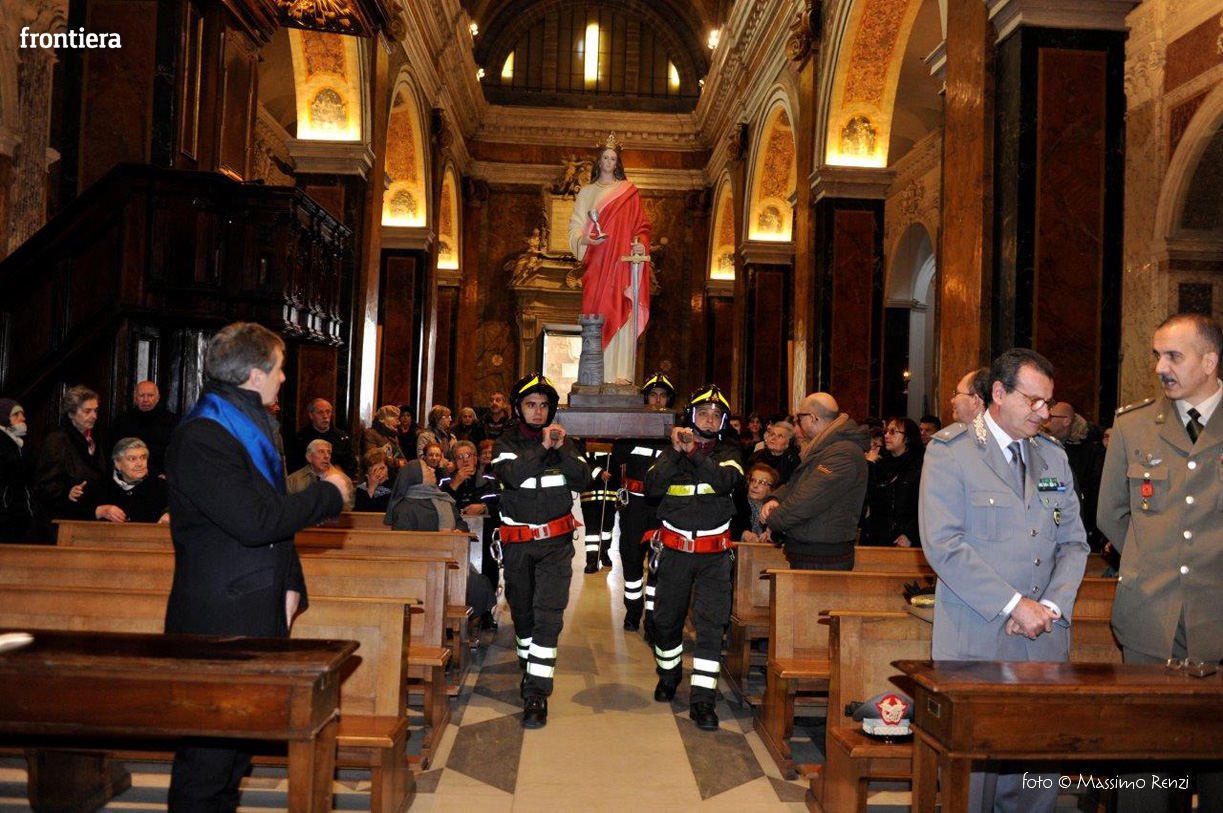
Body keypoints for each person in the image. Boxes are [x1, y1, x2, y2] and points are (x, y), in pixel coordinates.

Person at [164, 321, 352, 810]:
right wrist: (329, 494)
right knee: (207, 761)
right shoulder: (204, 436)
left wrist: (290, 584)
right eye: (279, 369)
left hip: (252, 609)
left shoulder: (244, 424)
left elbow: (268, 516)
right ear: (254, 374)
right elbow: (255, 521)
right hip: (218, 622)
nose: (284, 378)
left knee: (235, 757)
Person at [919, 348, 1088, 813]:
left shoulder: (1053, 457)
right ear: (998, 392)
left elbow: (1074, 543)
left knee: (1035, 781)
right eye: (1033, 401)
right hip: (978, 639)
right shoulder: (951, 451)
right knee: (972, 783)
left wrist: (1049, 607)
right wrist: (1015, 605)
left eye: (1047, 402)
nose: (1044, 413)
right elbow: (944, 544)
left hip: (1043, 641)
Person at [1097, 313, 1223, 812]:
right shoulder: (1134, 426)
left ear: (1209, 361)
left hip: (1219, 619)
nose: (1160, 367)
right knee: (1144, 772)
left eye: (1173, 356)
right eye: (1156, 355)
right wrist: (1152, 561)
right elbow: (1111, 513)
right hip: (1151, 617)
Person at [492, 373, 589, 729]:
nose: (538, 412)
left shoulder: (566, 443)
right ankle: (527, 658)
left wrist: (560, 448)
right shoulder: (505, 442)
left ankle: (536, 691)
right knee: (523, 611)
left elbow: (583, 479)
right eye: (531, 405)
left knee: (549, 615)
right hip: (518, 544)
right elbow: (512, 476)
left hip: (556, 546)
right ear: (519, 408)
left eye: (544, 405)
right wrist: (543, 448)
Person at [645, 384, 743, 732]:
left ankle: (703, 699)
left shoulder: (730, 452)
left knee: (711, 626)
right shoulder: (669, 453)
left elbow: (724, 481)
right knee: (666, 620)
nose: (709, 420)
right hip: (676, 553)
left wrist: (695, 453)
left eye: (716, 415)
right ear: (690, 417)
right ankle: (669, 673)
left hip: (714, 557)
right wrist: (676, 453)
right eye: (703, 414)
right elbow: (652, 487)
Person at [567, 133, 651, 383]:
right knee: (597, 314)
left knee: (621, 305)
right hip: (597, 261)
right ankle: (596, 376)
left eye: (613, 158)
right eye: (605, 157)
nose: (608, 162)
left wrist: (641, 244)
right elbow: (575, 227)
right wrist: (587, 239)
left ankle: (620, 374)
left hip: (621, 264)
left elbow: (642, 227)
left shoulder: (628, 192)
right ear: (598, 160)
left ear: (618, 163)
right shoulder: (587, 192)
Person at [760, 393, 869, 570]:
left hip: (823, 557)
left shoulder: (843, 453)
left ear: (812, 418)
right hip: (812, 551)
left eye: (799, 418)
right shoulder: (824, 447)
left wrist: (774, 519)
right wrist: (775, 499)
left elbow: (808, 498)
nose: (797, 425)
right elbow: (796, 483)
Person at [611, 372, 674, 634]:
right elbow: (617, 459)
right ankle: (632, 611)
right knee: (631, 558)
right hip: (634, 506)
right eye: (653, 395)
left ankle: (652, 618)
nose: (657, 400)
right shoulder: (631, 432)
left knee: (659, 561)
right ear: (645, 399)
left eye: (663, 396)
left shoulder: (674, 436)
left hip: (662, 508)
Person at [440, 440, 501, 629]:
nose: (465, 460)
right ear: (454, 461)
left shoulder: (490, 481)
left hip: (485, 538)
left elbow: (503, 505)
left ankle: (486, 612)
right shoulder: (444, 482)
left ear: (476, 458)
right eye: (460, 457)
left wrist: (483, 507)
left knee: (489, 568)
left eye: (468, 456)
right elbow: (439, 504)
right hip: (454, 537)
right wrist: (455, 483)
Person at [34, 384, 107, 520]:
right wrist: (66, 492)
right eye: (87, 411)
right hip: (65, 516)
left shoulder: (96, 438)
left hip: (91, 513)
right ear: (71, 413)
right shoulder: (57, 440)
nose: (94, 416)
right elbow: (44, 484)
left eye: (96, 411)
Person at [1043, 400, 1106, 551]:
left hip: (1076, 526)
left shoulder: (1090, 453)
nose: (1045, 422)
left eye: (1051, 418)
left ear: (1066, 421)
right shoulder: (1040, 446)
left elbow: (1092, 494)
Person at [860, 417, 923, 547]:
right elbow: (866, 498)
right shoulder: (879, 461)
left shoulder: (920, 466)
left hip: (903, 538)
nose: (886, 436)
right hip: (874, 536)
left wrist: (910, 534)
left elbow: (925, 507)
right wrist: (869, 465)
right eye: (886, 431)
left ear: (908, 437)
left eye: (893, 432)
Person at [76, 437, 169, 523]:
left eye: (143, 458)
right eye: (132, 459)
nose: (140, 464)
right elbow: (73, 514)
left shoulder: (163, 487)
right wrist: (99, 511)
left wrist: (170, 514)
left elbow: (176, 507)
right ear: (117, 463)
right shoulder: (98, 486)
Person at [112, 381, 180, 474]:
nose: (145, 400)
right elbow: (115, 451)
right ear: (135, 397)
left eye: (150, 395)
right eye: (142, 395)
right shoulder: (122, 421)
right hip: (129, 475)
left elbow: (177, 452)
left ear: (157, 398)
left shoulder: (172, 421)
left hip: (160, 475)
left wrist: (167, 474)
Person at [0, 398, 40, 543]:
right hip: (6, 513)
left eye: (22, 414)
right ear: (4, 418)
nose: (22, 418)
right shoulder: (4, 443)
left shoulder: (19, 443)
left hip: (19, 511)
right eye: (16, 415)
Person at [292, 398, 356, 478]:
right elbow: (294, 466)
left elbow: (351, 464)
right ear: (311, 415)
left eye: (328, 412)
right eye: (320, 412)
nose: (325, 416)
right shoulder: (301, 438)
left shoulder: (341, 438)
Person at [579, 442, 617, 573]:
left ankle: (604, 552)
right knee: (592, 530)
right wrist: (599, 472)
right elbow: (580, 460)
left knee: (607, 528)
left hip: (610, 492)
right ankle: (591, 560)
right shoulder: (583, 440)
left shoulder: (615, 440)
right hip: (590, 492)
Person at [287, 439, 355, 511]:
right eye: (321, 452)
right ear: (309, 457)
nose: (326, 456)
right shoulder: (293, 480)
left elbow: (348, 511)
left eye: (329, 453)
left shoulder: (343, 480)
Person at [731, 462, 778, 543]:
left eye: (762, 482)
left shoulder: (775, 507)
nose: (755, 485)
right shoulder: (736, 501)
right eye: (752, 480)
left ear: (772, 489)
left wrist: (771, 534)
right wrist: (743, 534)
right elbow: (729, 527)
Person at [746, 420, 800, 484]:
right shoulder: (756, 456)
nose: (773, 438)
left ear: (789, 442)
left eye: (780, 436)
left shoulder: (793, 461)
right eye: (772, 434)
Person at [354, 448, 394, 513]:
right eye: (374, 470)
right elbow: (361, 514)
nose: (379, 473)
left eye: (382, 468)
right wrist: (371, 488)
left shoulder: (395, 484)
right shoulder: (362, 488)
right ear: (367, 473)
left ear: (387, 467)